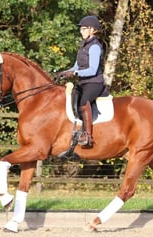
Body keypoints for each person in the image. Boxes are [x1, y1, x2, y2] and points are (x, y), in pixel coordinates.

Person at [56, 15, 105, 149]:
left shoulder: (94, 47)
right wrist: (64, 72)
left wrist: (75, 73)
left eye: (84, 29)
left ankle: (87, 135)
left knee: (83, 102)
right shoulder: (83, 46)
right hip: (83, 82)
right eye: (81, 29)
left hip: (94, 82)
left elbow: (93, 70)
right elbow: (76, 67)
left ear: (93, 30)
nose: (81, 31)